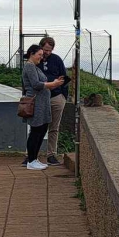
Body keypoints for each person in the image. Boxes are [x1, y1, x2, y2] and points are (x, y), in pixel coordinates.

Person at [20, 44, 64, 170]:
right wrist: (53, 84)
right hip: (37, 103)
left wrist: (54, 84)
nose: (41, 57)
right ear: (31, 54)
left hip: (42, 103)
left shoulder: (34, 66)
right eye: (39, 54)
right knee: (36, 131)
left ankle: (34, 159)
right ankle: (31, 160)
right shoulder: (29, 66)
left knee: (41, 130)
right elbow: (36, 84)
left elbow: (41, 83)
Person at [38, 36, 70, 165]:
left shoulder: (56, 60)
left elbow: (65, 78)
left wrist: (63, 96)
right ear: (41, 47)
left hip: (56, 97)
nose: (47, 53)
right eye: (45, 50)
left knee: (54, 128)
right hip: (40, 98)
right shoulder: (35, 59)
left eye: (50, 50)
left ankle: (51, 154)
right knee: (37, 127)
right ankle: (31, 155)